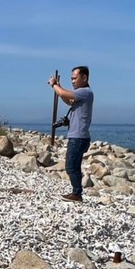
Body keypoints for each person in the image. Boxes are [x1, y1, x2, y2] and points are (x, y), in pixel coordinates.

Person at [48, 66, 94, 202]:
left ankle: (77, 194)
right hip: (79, 136)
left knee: (71, 166)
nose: (73, 81)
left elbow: (62, 93)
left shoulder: (85, 92)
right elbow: (68, 100)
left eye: (75, 78)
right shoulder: (82, 94)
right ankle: (76, 192)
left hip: (78, 137)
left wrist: (54, 84)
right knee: (75, 166)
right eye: (72, 79)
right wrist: (58, 87)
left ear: (84, 78)